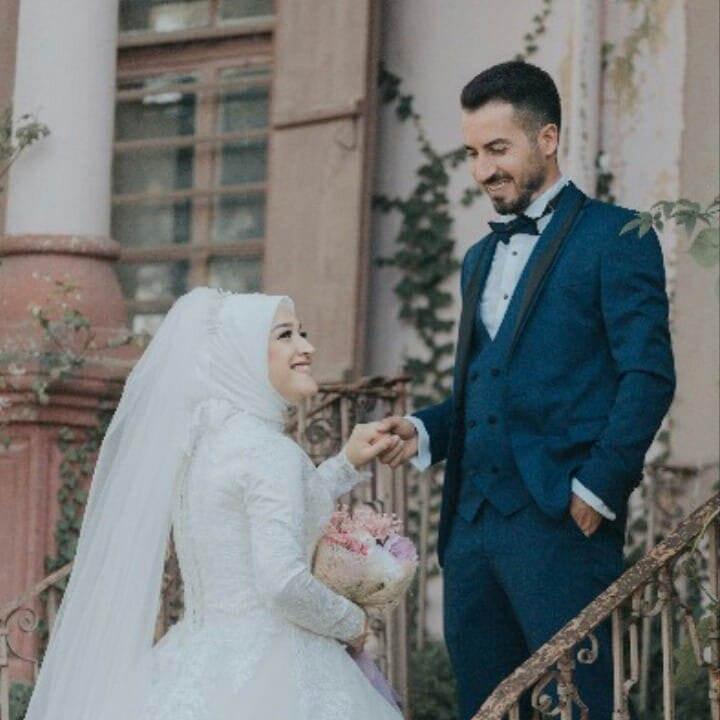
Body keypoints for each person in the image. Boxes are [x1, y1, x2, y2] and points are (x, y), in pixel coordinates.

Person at [378, 60, 675, 719]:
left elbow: (648, 375)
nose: (483, 170)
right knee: (485, 709)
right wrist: (423, 429)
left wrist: (597, 488)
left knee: (580, 708)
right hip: (471, 532)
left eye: (497, 149)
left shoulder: (615, 237)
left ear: (547, 138)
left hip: (562, 524)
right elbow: (489, 388)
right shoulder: (477, 260)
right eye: (472, 154)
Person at [24, 288, 405, 720]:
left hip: (199, 658)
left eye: (302, 333)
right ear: (242, 355)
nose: (307, 347)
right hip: (277, 668)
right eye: (285, 335)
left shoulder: (204, 448)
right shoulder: (269, 451)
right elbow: (282, 582)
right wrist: (351, 622)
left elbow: (266, 509)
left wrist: (345, 463)